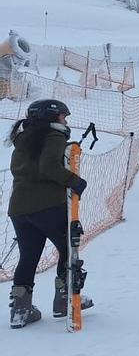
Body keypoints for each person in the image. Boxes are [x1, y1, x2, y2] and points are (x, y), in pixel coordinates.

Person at [7, 99, 92, 328]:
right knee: (68, 248)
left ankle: (20, 309)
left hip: (19, 208)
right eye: (64, 116)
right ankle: (65, 298)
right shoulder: (53, 137)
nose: (66, 121)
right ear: (52, 118)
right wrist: (75, 181)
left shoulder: (23, 139)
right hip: (47, 205)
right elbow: (49, 167)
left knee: (28, 256)